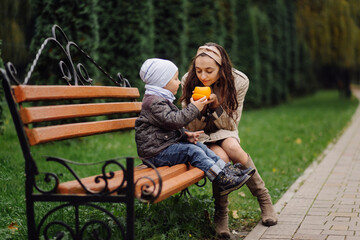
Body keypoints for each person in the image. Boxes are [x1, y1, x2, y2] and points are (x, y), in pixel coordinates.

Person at [180, 43, 278, 238]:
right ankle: (221, 213)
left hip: (226, 130)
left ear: (221, 67)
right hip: (200, 135)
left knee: (233, 147)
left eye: (209, 71)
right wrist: (196, 109)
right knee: (221, 158)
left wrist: (216, 107)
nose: (203, 76)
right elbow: (189, 127)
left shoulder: (239, 81)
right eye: (199, 70)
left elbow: (232, 124)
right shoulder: (188, 80)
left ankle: (264, 199)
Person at [135, 58, 254, 197]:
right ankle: (220, 178)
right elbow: (175, 121)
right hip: (155, 154)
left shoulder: (159, 99)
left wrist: (186, 135)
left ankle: (228, 171)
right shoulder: (154, 103)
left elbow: (165, 126)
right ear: (163, 82)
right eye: (175, 79)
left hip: (163, 147)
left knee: (198, 146)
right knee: (191, 151)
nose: (179, 82)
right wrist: (194, 108)